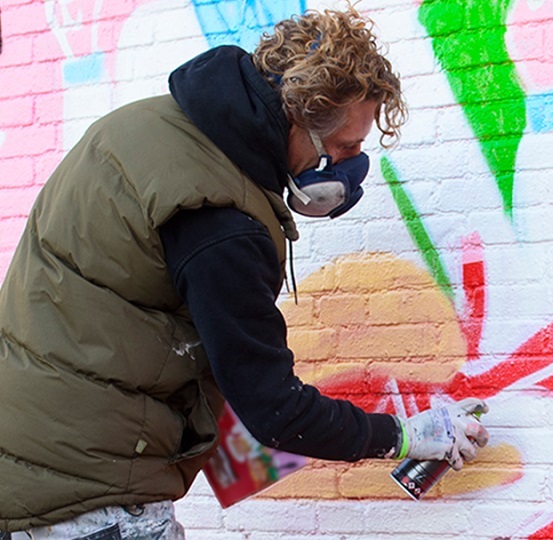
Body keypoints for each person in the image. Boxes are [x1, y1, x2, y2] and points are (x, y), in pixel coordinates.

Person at [0, 6, 488, 539]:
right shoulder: (222, 220)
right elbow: (274, 409)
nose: (348, 167)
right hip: (91, 492)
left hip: (29, 459)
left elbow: (168, 328)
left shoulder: (151, 127)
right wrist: (406, 435)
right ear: (301, 118)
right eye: (346, 148)